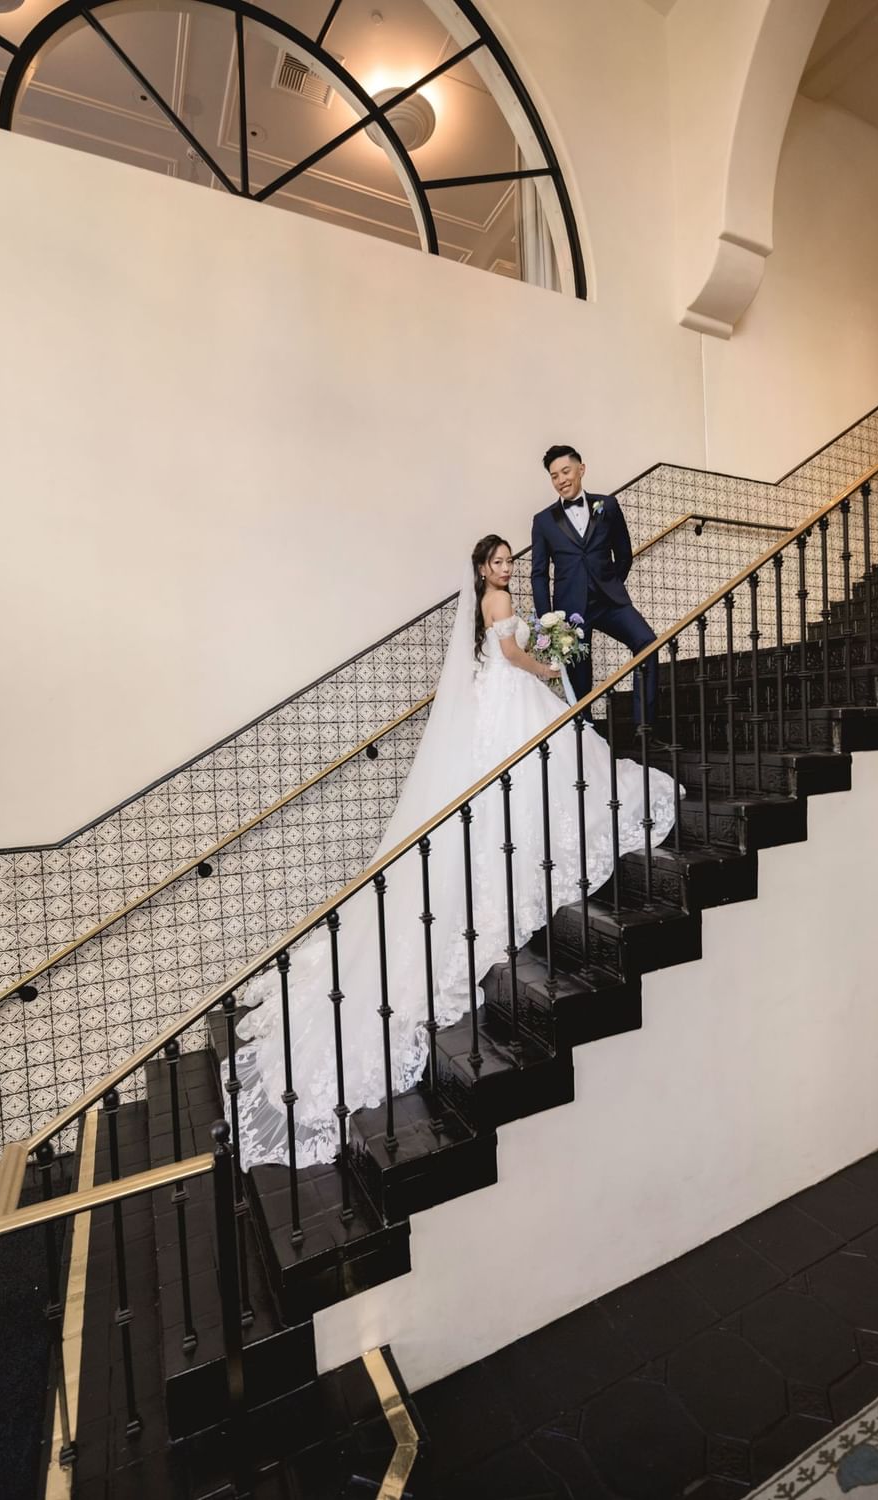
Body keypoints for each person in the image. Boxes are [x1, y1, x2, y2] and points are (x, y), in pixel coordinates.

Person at [229, 537, 677, 1170]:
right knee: (536, 773)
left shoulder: (497, 600)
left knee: (533, 776)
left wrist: (541, 656)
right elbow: (515, 654)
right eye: (496, 562)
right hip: (514, 695)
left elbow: (502, 656)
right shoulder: (496, 602)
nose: (505, 569)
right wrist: (551, 666)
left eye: (507, 561)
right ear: (481, 571)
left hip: (504, 700)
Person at [532, 445, 660, 733]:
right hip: (569, 614)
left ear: (581, 469)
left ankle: (644, 727)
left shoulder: (608, 506)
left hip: (609, 601)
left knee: (647, 644)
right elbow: (539, 574)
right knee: (580, 679)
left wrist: (610, 585)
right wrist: (547, 623)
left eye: (566, 471)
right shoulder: (543, 521)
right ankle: (586, 739)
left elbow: (624, 554)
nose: (561, 480)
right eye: (554, 476)